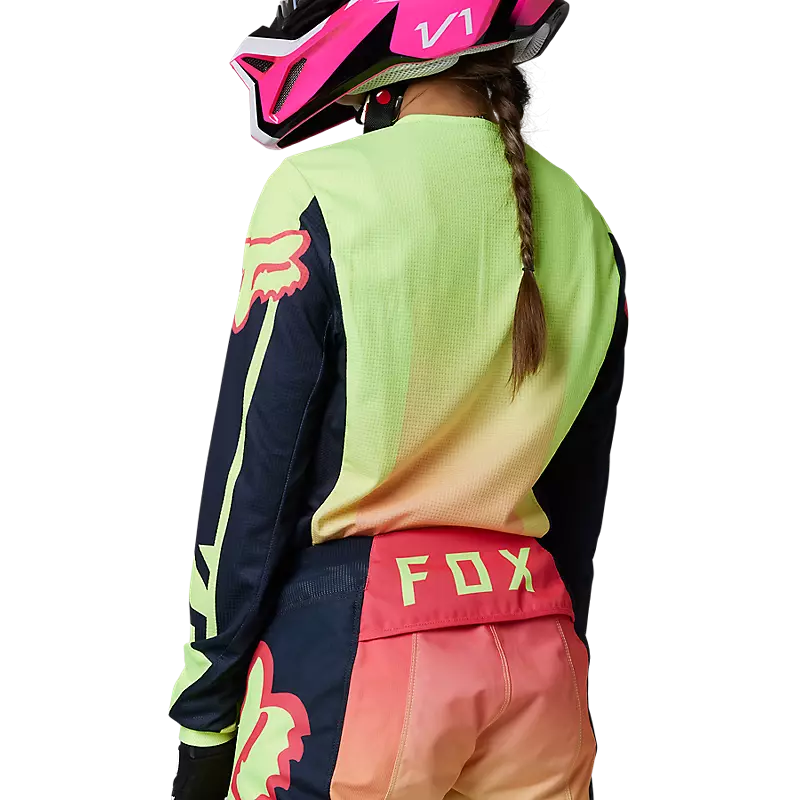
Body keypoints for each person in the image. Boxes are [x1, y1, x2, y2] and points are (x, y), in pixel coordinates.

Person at [168, 1, 628, 799]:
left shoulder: (321, 193)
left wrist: (204, 717)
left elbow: (254, 478)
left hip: (356, 664)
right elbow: (578, 501)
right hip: (542, 658)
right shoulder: (589, 223)